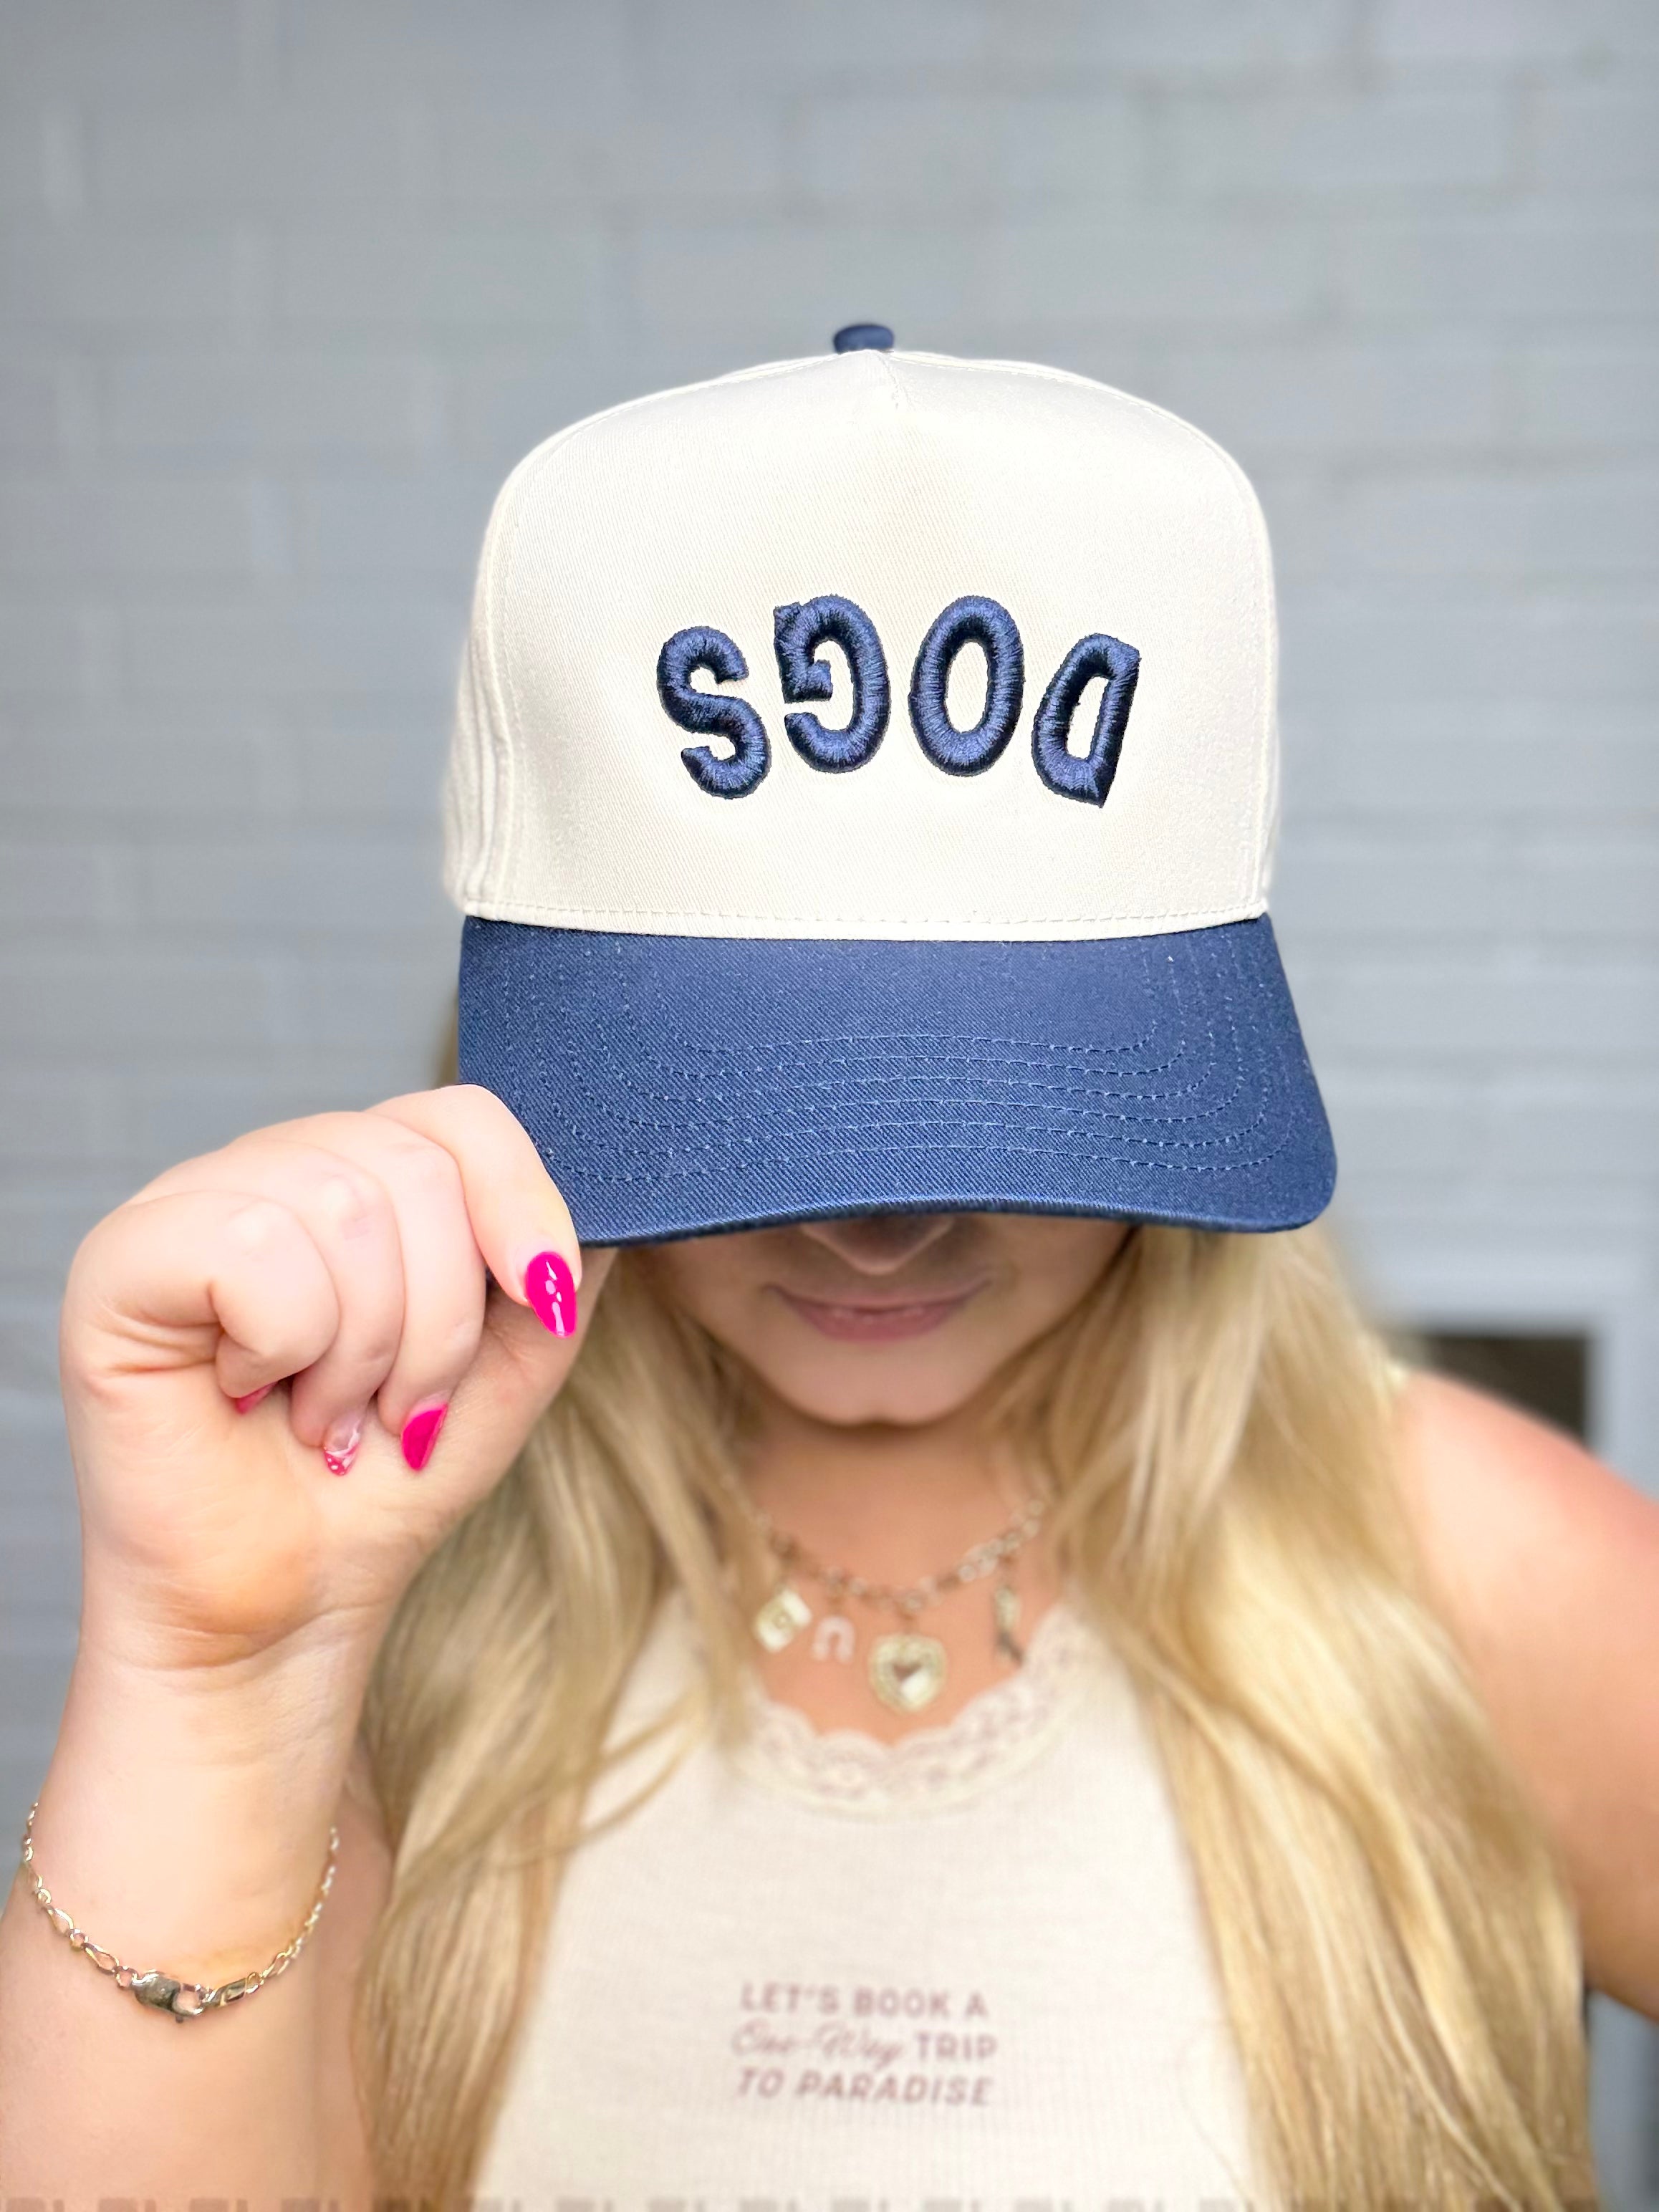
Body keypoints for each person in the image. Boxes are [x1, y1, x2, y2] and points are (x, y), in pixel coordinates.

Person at [1, 332, 1654, 2212]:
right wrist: (215, 1673)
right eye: (750, 1113)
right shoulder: (393, 1614)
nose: (874, 1229)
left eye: (1009, 1109)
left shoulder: (1461, 1566)